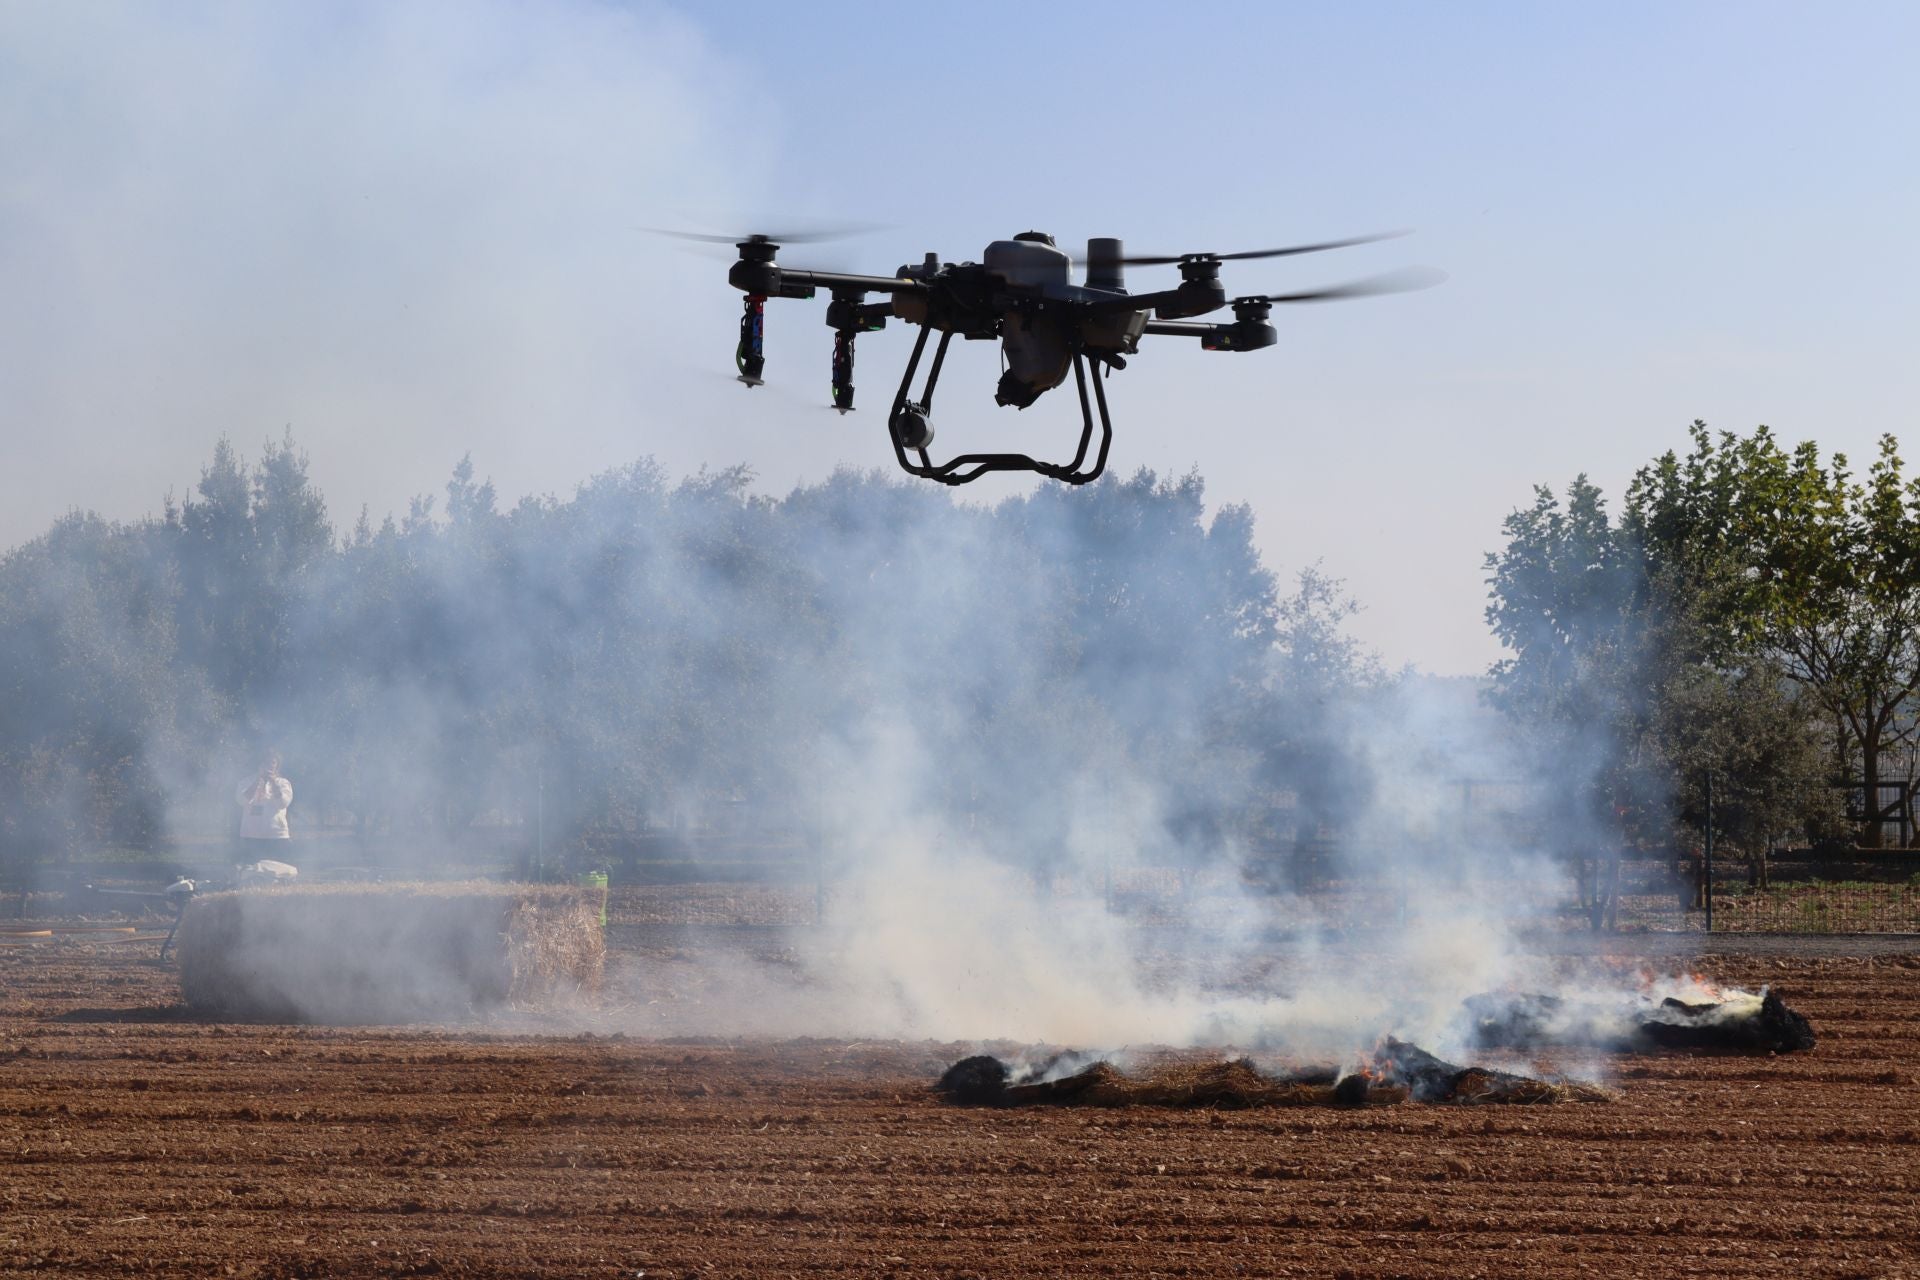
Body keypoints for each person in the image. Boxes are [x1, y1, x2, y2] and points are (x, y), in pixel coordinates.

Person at [237, 754, 294, 842]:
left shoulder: (283, 783)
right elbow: (241, 801)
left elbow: (283, 804)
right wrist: (257, 781)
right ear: (259, 764)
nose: (269, 765)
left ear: (277, 765)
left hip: (277, 835)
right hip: (250, 834)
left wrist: (274, 783)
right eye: (266, 762)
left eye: (273, 762)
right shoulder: (246, 782)